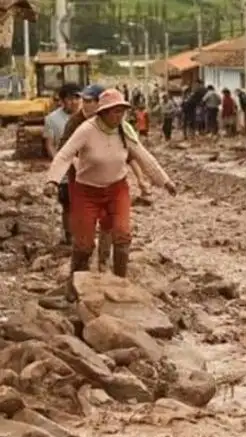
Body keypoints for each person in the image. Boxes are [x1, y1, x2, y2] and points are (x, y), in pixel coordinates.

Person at [44, 89, 176, 294]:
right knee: (84, 244)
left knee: (122, 234)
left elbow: (143, 156)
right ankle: (74, 286)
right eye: (114, 112)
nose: (119, 116)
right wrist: (52, 180)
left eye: (122, 111)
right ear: (103, 112)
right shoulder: (86, 129)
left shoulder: (124, 130)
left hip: (117, 189)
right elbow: (64, 155)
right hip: (86, 191)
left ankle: (120, 283)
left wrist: (164, 181)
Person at [59, 84, 151, 272]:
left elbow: (132, 154)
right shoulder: (77, 124)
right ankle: (79, 274)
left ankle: (105, 263)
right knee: (82, 228)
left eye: (89, 101)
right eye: (83, 101)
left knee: (112, 224)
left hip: (111, 184)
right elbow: (65, 152)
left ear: (100, 104)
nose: (84, 105)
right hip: (81, 183)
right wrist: (67, 170)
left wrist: (142, 179)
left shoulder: (119, 128)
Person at [43, 83, 81, 245]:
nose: (73, 102)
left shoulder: (87, 117)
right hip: (65, 169)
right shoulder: (52, 119)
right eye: (69, 98)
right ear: (62, 100)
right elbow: (50, 143)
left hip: (84, 167)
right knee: (67, 203)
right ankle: (69, 236)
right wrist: (58, 161)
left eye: (76, 98)